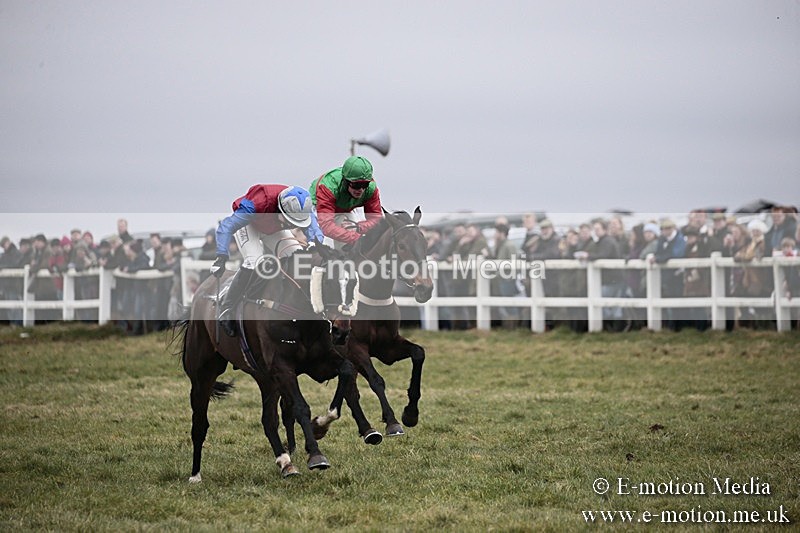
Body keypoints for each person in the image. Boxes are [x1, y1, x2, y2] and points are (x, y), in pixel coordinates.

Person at [210, 184, 324, 337]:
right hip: (249, 225)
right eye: (290, 221)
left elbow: (315, 232)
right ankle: (226, 308)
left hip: (273, 227)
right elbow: (226, 226)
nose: (292, 226)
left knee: (298, 257)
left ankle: (291, 301)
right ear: (280, 209)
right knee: (255, 262)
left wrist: (315, 246)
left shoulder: (302, 206)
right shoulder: (257, 204)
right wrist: (221, 256)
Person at [310, 156, 383, 246]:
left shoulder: (371, 188)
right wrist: (355, 238)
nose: (361, 190)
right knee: (323, 244)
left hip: (344, 208)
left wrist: (359, 227)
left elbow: (377, 219)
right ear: (345, 181)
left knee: (352, 233)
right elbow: (326, 226)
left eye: (364, 184)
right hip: (317, 207)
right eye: (356, 185)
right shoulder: (328, 187)